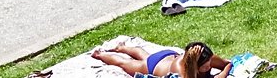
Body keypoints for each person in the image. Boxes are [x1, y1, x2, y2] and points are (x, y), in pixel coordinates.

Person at [89, 41, 231, 78]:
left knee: (144, 55)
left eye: (209, 65)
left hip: (169, 55)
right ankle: (100, 54)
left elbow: (228, 64)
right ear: (192, 63)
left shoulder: (207, 58)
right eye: (205, 67)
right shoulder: (180, 70)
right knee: (126, 64)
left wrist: (222, 74)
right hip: (155, 66)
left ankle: (122, 47)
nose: (209, 67)